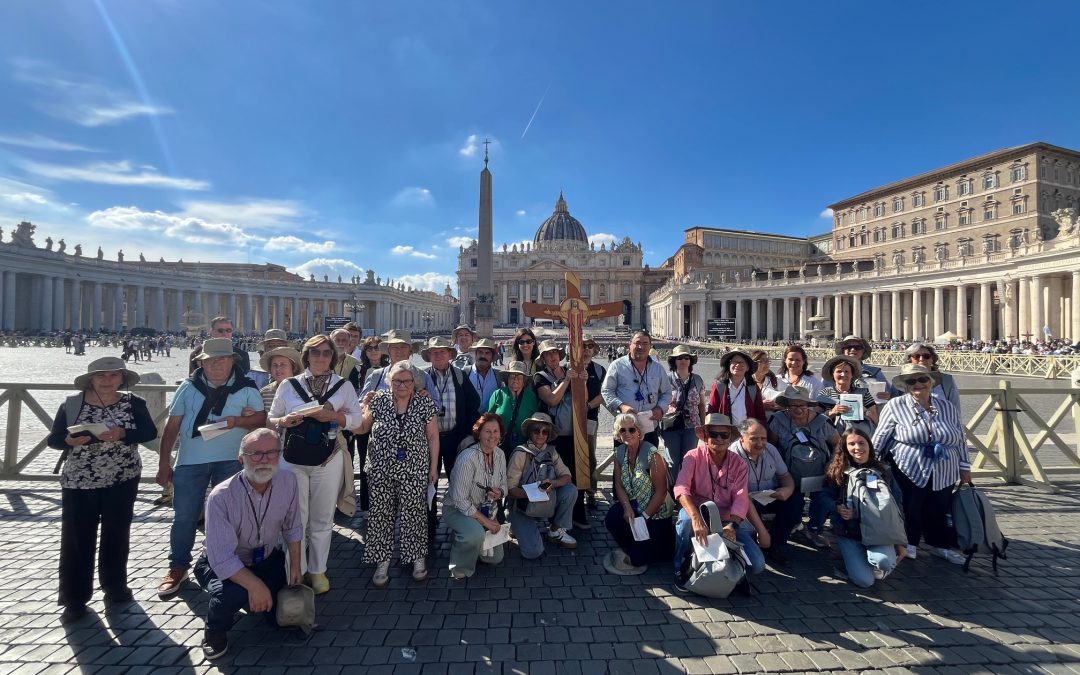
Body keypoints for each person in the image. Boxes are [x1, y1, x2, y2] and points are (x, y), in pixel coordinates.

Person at [47, 357, 158, 624]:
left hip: (122, 476)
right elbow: (54, 439)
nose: (107, 380)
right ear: (91, 380)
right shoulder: (72, 404)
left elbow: (148, 431)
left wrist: (122, 434)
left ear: (122, 378)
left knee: (117, 532)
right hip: (79, 479)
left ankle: (115, 586)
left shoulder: (134, 403)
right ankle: (74, 598)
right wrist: (68, 440)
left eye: (113, 375)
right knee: (76, 537)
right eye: (101, 376)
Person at [157, 337, 266, 598]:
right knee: (184, 516)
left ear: (232, 361)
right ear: (201, 363)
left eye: (222, 359)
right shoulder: (187, 387)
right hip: (190, 460)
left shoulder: (248, 387)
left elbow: (261, 420)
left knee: (231, 516)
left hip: (232, 459)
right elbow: (171, 428)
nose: (216, 365)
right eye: (210, 361)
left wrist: (236, 421)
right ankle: (178, 565)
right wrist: (163, 464)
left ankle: (229, 564)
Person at [195, 428, 303, 660]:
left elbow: (292, 526)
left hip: (265, 557)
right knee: (231, 595)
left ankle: (256, 594)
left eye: (271, 452)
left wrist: (295, 565)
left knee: (280, 619)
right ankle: (214, 630)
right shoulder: (220, 496)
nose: (264, 460)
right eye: (255, 454)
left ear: (279, 455)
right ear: (241, 458)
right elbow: (222, 558)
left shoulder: (288, 480)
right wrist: (255, 585)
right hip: (219, 564)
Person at [268, 334, 361, 593]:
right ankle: (294, 569)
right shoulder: (288, 385)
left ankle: (318, 571)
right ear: (306, 356)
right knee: (295, 518)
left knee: (322, 518)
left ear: (332, 356)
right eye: (315, 352)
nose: (321, 357)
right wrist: (284, 422)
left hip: (327, 458)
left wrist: (331, 416)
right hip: (292, 459)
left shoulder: (343, 386)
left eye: (326, 353)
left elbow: (357, 421)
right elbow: (271, 419)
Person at [872, 363, 970, 564]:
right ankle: (910, 543)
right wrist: (869, 464)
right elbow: (881, 436)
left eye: (922, 379)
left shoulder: (947, 406)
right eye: (911, 381)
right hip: (909, 466)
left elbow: (960, 438)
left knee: (939, 507)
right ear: (906, 386)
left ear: (931, 382)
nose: (918, 384)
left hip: (945, 467)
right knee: (911, 506)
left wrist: (965, 468)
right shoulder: (896, 405)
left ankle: (940, 546)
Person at [357, 361, 440, 585]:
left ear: (414, 383)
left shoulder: (424, 402)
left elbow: (433, 437)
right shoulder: (378, 400)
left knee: (414, 514)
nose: (402, 385)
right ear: (389, 382)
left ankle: (417, 558)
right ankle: (382, 561)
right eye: (397, 381)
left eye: (406, 381)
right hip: (380, 469)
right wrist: (359, 408)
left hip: (414, 469)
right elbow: (362, 428)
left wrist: (434, 468)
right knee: (380, 516)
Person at [673, 413, 763, 592]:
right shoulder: (693, 456)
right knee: (684, 522)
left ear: (730, 438)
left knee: (758, 565)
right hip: (698, 512)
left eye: (724, 435)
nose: (719, 439)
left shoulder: (739, 464)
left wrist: (733, 525)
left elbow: (741, 497)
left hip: (726, 520)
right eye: (713, 434)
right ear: (705, 437)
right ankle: (680, 565)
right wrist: (695, 518)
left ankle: (726, 566)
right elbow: (681, 489)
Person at [822, 427, 907, 587]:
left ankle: (872, 556)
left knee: (884, 564)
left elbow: (898, 504)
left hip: (878, 530)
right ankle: (851, 557)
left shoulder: (884, 470)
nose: (857, 447)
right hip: (849, 532)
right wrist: (837, 507)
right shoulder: (837, 470)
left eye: (861, 443)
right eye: (852, 444)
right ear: (845, 448)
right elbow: (823, 496)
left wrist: (901, 542)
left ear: (869, 445)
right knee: (864, 581)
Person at [420, 336, 481, 537]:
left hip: (456, 438)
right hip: (429, 440)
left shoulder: (460, 375)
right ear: (429, 356)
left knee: (460, 482)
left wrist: (467, 434)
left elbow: (474, 404)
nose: (438, 355)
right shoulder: (421, 378)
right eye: (434, 352)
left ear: (450, 355)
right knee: (429, 482)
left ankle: (460, 521)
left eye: (442, 351)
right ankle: (428, 522)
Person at [767, 385, 839, 549]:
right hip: (790, 474)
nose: (798, 409)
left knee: (821, 500)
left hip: (819, 471)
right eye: (793, 405)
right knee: (794, 502)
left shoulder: (822, 422)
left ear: (808, 404)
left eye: (802, 405)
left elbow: (839, 445)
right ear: (787, 405)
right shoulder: (778, 420)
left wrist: (832, 465)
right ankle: (794, 522)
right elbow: (771, 447)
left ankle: (814, 529)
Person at [604, 413, 676, 573]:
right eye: (623, 430)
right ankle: (634, 541)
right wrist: (627, 507)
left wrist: (644, 517)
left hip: (657, 512)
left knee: (637, 558)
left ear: (639, 432)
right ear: (618, 434)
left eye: (632, 429)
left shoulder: (652, 454)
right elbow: (619, 485)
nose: (627, 434)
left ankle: (660, 542)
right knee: (612, 518)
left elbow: (661, 492)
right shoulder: (619, 452)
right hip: (635, 506)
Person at [444, 413, 508, 579]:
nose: (492, 436)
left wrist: (499, 492)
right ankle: (460, 568)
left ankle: (468, 539)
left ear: (500, 434)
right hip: (457, 509)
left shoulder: (500, 454)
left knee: (495, 558)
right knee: (475, 534)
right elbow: (460, 500)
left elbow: (504, 485)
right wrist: (486, 522)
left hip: (485, 508)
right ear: (479, 434)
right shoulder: (468, 458)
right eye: (487, 431)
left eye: (496, 431)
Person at [505, 413, 578, 557]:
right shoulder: (520, 454)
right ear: (529, 432)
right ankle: (513, 522)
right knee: (533, 552)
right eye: (536, 430)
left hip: (546, 501)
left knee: (570, 490)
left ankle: (556, 530)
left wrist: (554, 483)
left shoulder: (552, 452)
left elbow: (567, 476)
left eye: (545, 431)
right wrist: (534, 492)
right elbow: (510, 489)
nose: (540, 434)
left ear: (548, 434)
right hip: (522, 506)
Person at [534, 339, 590, 525]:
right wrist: (567, 380)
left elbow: (584, 401)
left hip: (575, 431)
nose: (552, 357)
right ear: (542, 358)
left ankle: (578, 512)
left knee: (579, 472)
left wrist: (583, 382)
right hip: (554, 435)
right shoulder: (540, 377)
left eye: (555, 353)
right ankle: (556, 517)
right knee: (556, 475)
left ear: (560, 354)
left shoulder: (570, 371)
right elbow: (552, 400)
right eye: (548, 354)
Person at [729, 419, 799, 567]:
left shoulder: (771, 450)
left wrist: (787, 489)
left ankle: (775, 544)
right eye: (754, 439)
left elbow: (785, 476)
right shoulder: (732, 456)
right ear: (742, 438)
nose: (760, 443)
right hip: (743, 503)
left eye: (763, 438)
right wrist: (762, 531)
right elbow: (741, 498)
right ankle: (761, 538)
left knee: (796, 500)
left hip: (768, 496)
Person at [601, 330, 672, 447]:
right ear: (630, 344)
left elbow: (667, 393)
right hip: (625, 428)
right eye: (637, 343)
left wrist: (660, 408)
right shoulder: (617, 366)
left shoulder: (658, 369)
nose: (641, 347)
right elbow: (606, 390)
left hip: (650, 427)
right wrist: (621, 406)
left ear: (650, 346)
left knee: (648, 463)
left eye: (645, 344)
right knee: (624, 463)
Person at [662, 344, 706, 480]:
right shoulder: (665, 378)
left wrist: (703, 425)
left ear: (690, 361)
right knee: (673, 462)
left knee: (689, 461)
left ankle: (686, 492)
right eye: (679, 358)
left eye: (686, 358)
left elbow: (702, 404)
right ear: (674, 361)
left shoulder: (697, 379)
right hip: (671, 426)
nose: (683, 360)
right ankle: (673, 491)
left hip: (692, 426)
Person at [354, 335, 386, 513]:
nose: (374, 351)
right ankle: (366, 505)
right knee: (365, 465)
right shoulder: (359, 369)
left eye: (377, 347)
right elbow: (359, 398)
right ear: (365, 351)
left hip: (386, 426)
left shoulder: (391, 369)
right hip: (366, 422)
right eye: (370, 348)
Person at [359, 330, 435, 400]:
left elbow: (436, 406)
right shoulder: (375, 376)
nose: (399, 351)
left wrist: (429, 399)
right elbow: (360, 405)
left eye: (403, 347)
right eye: (394, 347)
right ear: (388, 351)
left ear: (410, 351)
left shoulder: (423, 376)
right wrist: (368, 400)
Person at [487, 360, 540, 456]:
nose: (515, 379)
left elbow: (535, 421)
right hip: (499, 445)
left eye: (519, 377)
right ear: (507, 379)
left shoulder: (531, 396)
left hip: (525, 447)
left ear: (524, 380)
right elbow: (489, 419)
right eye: (512, 376)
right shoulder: (498, 394)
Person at [819, 354, 879, 435]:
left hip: (860, 434)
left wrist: (865, 411)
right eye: (839, 371)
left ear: (852, 375)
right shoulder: (825, 393)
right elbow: (816, 419)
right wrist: (832, 412)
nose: (843, 374)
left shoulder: (864, 393)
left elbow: (876, 420)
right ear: (833, 374)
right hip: (834, 436)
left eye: (846, 371)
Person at [581, 334, 607, 509]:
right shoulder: (567, 368)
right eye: (583, 345)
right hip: (569, 420)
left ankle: (590, 492)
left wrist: (588, 406)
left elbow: (605, 394)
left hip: (590, 419)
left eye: (590, 346)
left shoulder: (599, 370)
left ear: (594, 350)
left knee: (589, 456)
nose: (586, 349)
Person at [707, 350, 766, 426]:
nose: (738, 365)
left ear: (747, 367)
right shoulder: (719, 386)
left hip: (747, 434)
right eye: (734, 362)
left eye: (742, 363)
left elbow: (760, 414)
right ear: (729, 365)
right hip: (726, 435)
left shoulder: (753, 388)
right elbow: (712, 413)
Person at [904, 342, 962, 414]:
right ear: (909, 360)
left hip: (943, 423)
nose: (921, 359)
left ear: (932, 359)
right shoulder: (901, 379)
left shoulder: (946, 380)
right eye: (917, 356)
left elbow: (955, 408)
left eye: (926, 356)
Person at [835, 335, 889, 402]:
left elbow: (892, 394)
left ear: (863, 351)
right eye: (848, 347)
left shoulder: (875, 372)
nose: (853, 349)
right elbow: (822, 398)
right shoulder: (833, 372)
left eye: (858, 347)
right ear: (843, 350)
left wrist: (887, 396)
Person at [258, 346, 302, 412]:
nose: (278, 369)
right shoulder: (264, 393)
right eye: (275, 365)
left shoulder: (305, 388)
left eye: (283, 365)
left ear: (293, 367)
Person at [462, 338, 500, 413]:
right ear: (475, 355)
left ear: (492, 357)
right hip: (469, 421)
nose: (483, 356)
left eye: (487, 353)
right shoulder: (464, 373)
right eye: (480, 352)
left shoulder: (498, 376)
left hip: (489, 421)